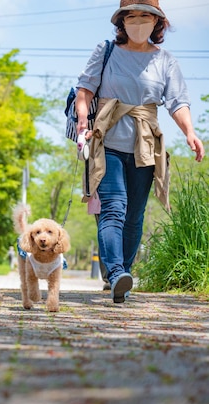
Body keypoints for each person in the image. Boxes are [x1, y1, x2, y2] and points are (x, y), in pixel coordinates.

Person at [75, 0, 205, 303]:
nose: (137, 21)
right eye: (130, 16)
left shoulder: (166, 61)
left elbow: (177, 102)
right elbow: (85, 89)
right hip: (106, 141)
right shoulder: (106, 51)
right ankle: (117, 271)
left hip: (145, 147)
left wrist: (190, 132)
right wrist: (84, 120)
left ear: (157, 21)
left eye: (144, 15)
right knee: (114, 209)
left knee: (134, 216)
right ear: (121, 21)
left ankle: (123, 276)